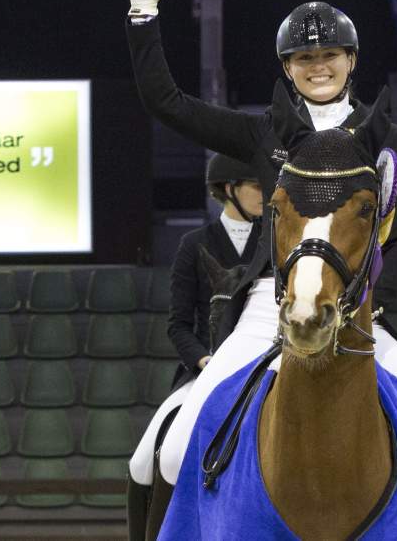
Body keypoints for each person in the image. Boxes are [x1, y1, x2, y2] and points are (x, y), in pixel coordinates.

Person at [125, 0, 397, 533]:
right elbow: (169, 104)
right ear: (288, 68)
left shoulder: (390, 140)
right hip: (272, 307)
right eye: (304, 58)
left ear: (351, 60)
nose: (318, 66)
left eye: (329, 54)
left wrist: (365, 305)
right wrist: (143, 18)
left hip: (358, 312)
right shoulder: (265, 132)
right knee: (168, 450)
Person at [127, 153, 262, 535]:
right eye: (256, 186)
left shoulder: (274, 242)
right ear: (229, 189)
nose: (265, 194)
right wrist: (206, 362)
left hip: (265, 368)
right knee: (146, 460)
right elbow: (179, 325)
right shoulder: (194, 244)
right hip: (206, 370)